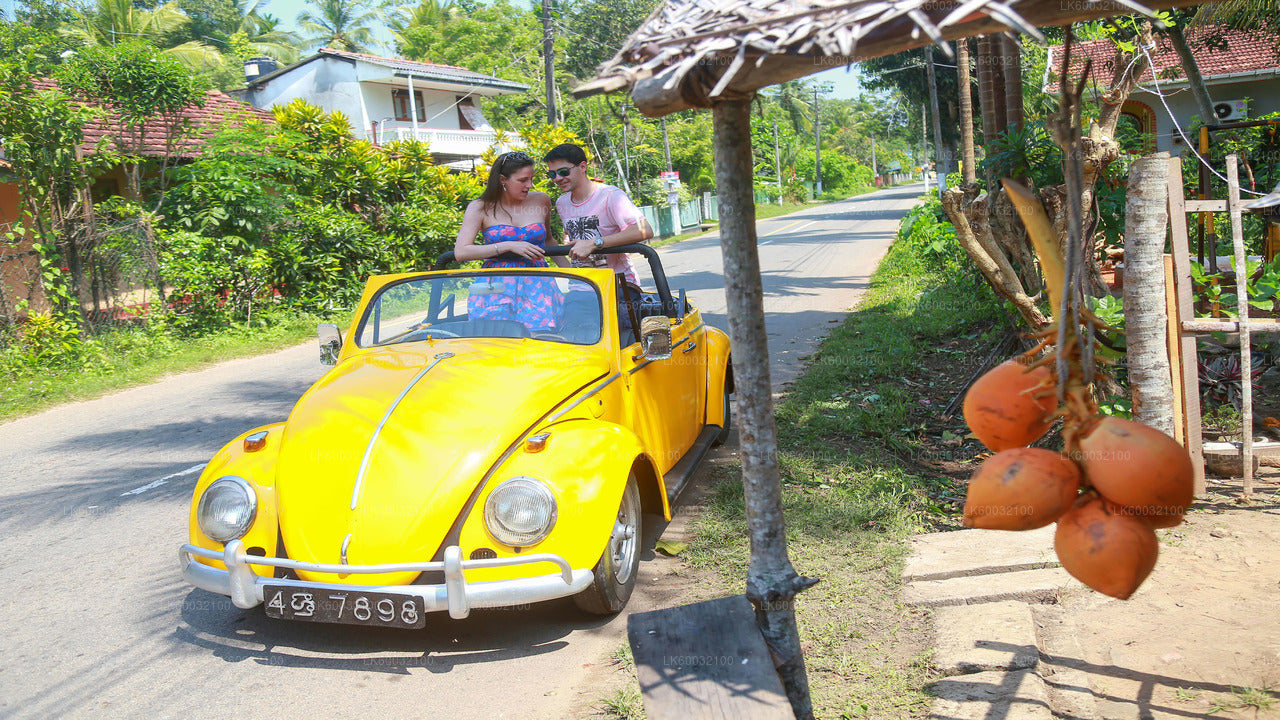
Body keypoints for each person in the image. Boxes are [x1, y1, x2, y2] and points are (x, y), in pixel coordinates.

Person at [543, 144, 654, 341]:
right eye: (552, 175)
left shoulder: (610, 196)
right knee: (573, 346)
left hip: (618, 288)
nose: (558, 179)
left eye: (563, 172)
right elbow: (574, 242)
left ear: (583, 167)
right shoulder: (562, 203)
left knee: (620, 348)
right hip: (581, 288)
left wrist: (595, 243)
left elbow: (644, 229)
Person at [453, 150, 563, 333]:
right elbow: (461, 252)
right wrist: (506, 246)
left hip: (537, 283)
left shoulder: (541, 200)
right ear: (503, 179)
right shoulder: (480, 207)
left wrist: (577, 275)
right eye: (522, 180)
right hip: (497, 286)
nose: (530, 185)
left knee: (542, 339)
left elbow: (549, 240)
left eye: (531, 179)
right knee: (497, 340)